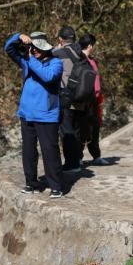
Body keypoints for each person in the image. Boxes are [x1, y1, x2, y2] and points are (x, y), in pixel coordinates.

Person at [5, 30, 65, 198]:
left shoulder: (56, 63)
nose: (34, 50)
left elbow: (48, 77)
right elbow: (8, 49)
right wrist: (18, 37)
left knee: (50, 151)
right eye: (32, 48)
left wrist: (31, 59)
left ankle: (56, 186)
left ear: (45, 48)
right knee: (28, 152)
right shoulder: (27, 62)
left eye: (37, 48)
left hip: (47, 115)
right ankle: (31, 183)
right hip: (26, 114)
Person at [53, 25, 89, 172]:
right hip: (81, 97)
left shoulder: (58, 52)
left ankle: (71, 164)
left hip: (66, 97)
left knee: (66, 131)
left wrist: (57, 47)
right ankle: (78, 160)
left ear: (61, 39)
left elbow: (46, 56)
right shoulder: (81, 53)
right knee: (76, 130)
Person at [78, 33, 106, 165]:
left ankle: (96, 156)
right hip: (84, 100)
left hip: (94, 101)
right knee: (82, 129)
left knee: (94, 128)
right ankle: (78, 158)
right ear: (90, 45)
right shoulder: (79, 59)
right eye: (93, 45)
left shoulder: (93, 60)